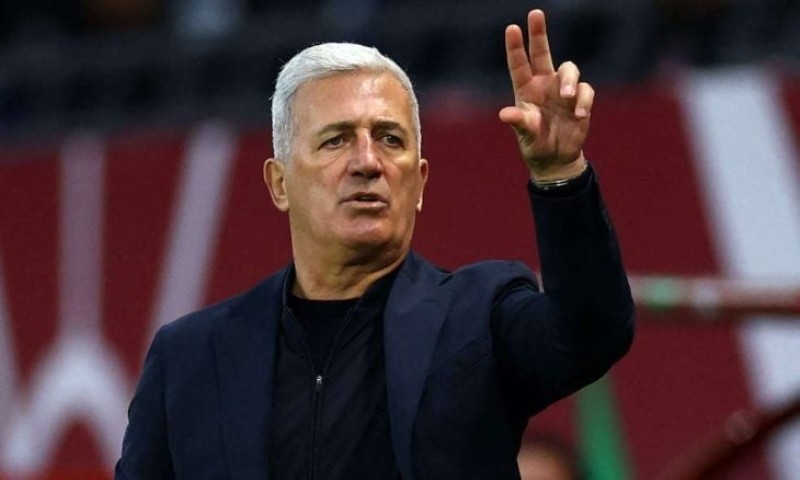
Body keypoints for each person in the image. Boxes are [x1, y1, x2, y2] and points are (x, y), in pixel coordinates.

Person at [115, 9, 634, 480]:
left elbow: (591, 335)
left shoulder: (480, 316)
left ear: (420, 182)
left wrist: (560, 174)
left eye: (390, 138)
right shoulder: (189, 358)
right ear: (279, 183)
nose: (368, 162)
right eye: (336, 139)